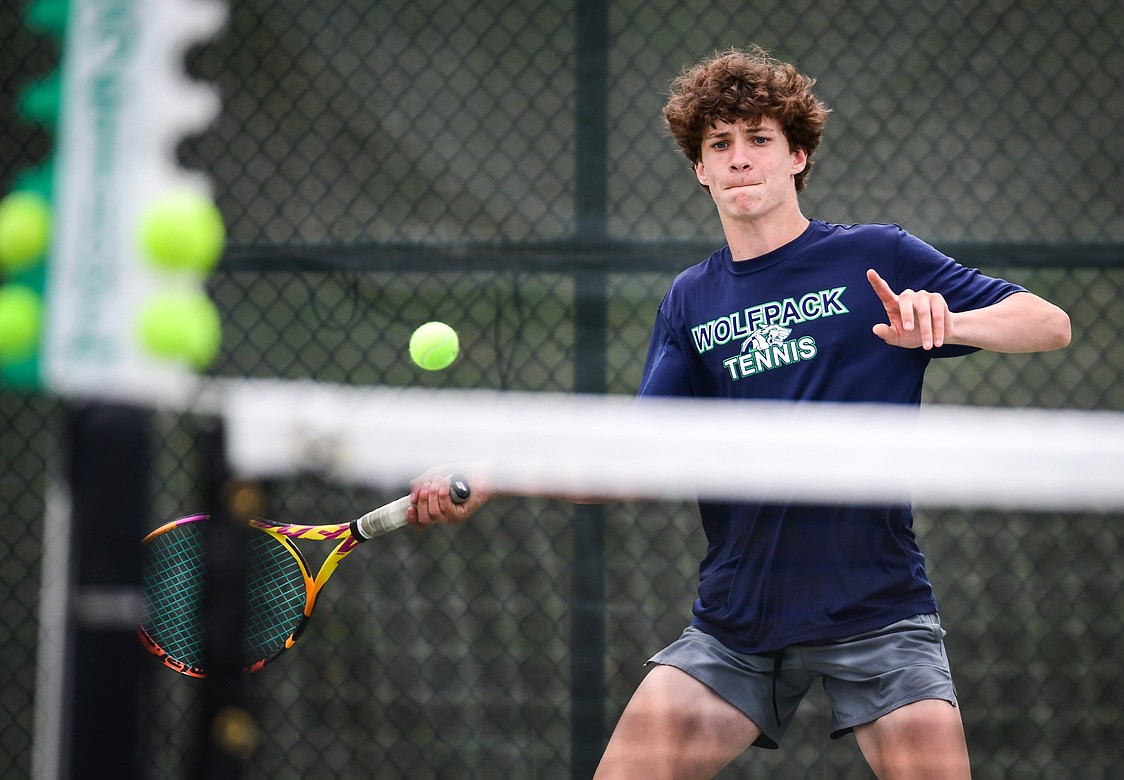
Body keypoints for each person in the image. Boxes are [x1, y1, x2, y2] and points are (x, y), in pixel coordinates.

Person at [407, 45, 1071, 779]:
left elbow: (1048, 323)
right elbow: (636, 466)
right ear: (700, 168)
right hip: (737, 626)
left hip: (878, 611)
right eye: (719, 144)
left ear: (798, 156)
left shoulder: (877, 257)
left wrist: (948, 323)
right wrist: (492, 475)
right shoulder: (690, 301)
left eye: (759, 139)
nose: (740, 160)